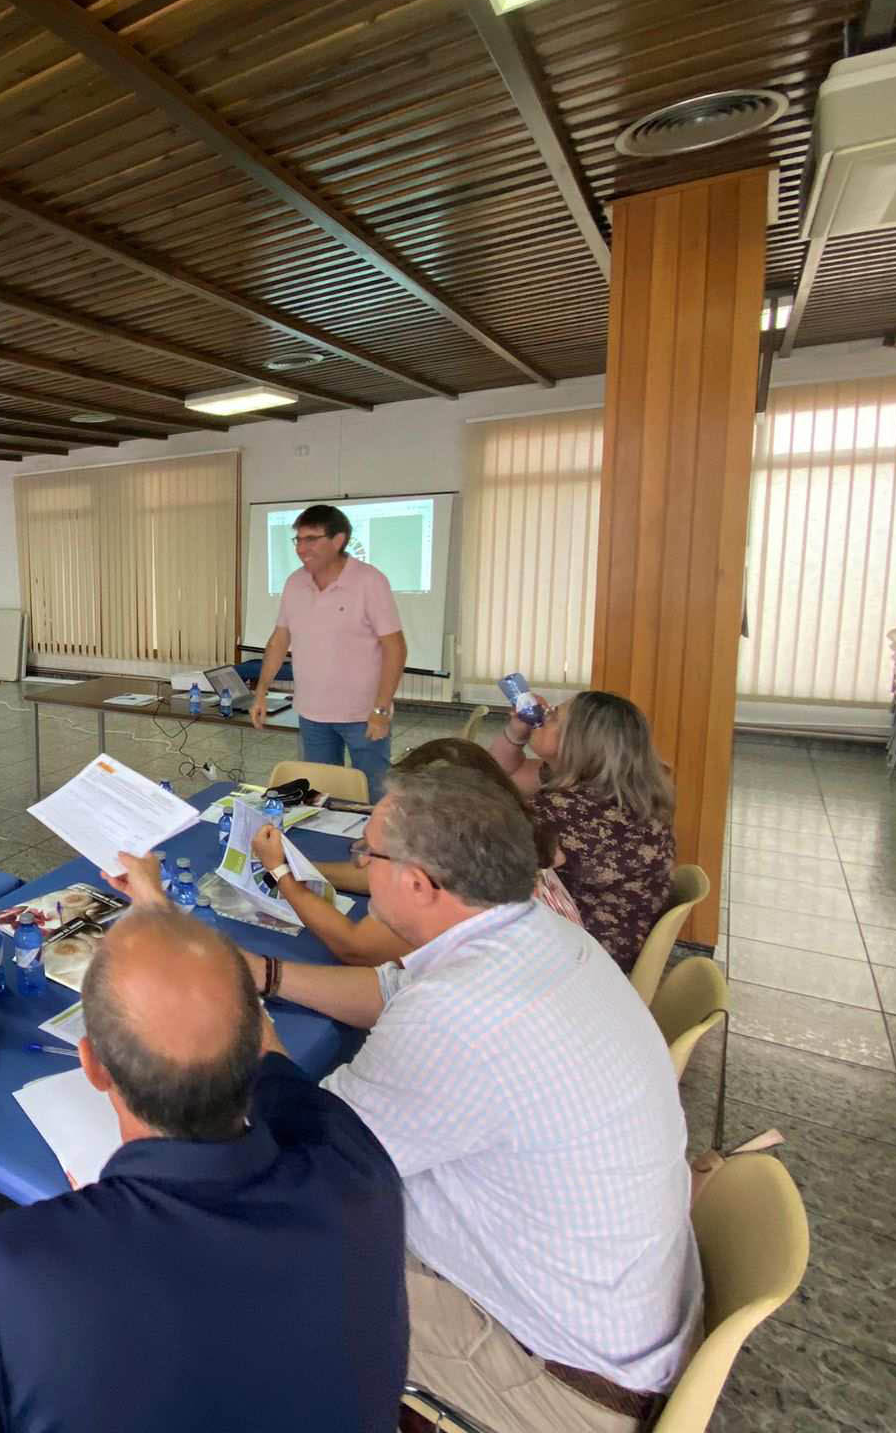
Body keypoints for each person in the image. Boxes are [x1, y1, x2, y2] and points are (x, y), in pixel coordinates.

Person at [247, 766, 700, 1433]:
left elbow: (314, 1156)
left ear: (420, 885)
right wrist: (267, 975)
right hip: (610, 1310)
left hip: (560, 1382)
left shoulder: (464, 1015)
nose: (359, 862)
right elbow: (390, 993)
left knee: (248, 1261)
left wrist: (240, 1022)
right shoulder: (538, 934)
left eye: (369, 853)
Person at [0, 893, 407, 1433]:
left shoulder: (18, 1264)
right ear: (251, 1054)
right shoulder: (357, 1166)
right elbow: (283, 1072)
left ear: (94, 1067)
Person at [251, 736, 583, 965]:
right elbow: (373, 876)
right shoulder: (497, 839)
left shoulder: (470, 883)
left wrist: (283, 876)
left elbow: (355, 948)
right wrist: (297, 865)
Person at [489, 689, 677, 972]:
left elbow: (490, 787)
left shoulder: (568, 811)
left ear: (577, 742)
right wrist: (517, 732)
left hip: (588, 960)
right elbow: (504, 777)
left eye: (552, 717)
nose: (541, 717)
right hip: (621, 943)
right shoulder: (617, 787)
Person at [249, 504, 406, 800]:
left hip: (363, 715)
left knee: (375, 796)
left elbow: (394, 646)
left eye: (312, 539)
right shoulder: (295, 583)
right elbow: (280, 639)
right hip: (312, 714)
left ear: (338, 540)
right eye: (298, 540)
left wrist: (381, 709)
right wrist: (260, 693)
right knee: (321, 796)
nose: (302, 548)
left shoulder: (369, 581)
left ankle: (376, 847)